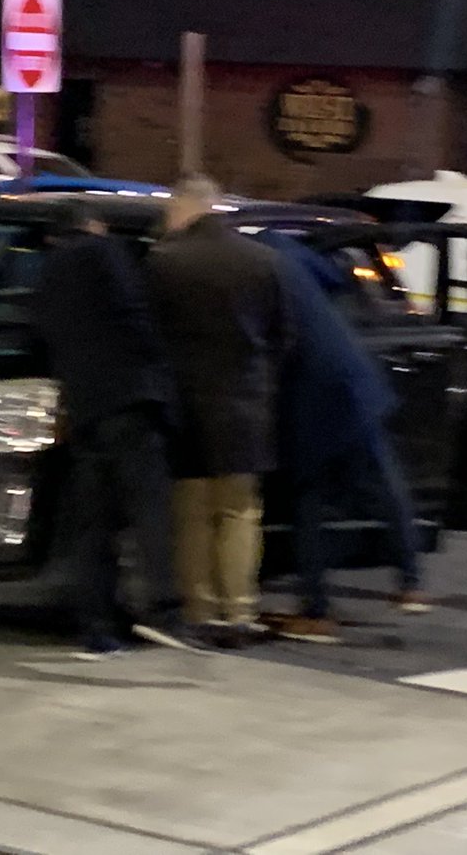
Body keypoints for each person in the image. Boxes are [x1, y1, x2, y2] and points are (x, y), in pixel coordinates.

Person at [36, 201, 202, 659]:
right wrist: (159, 376)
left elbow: (49, 337)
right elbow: (137, 317)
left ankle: (96, 628)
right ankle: (165, 611)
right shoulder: (105, 253)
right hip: (130, 401)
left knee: (95, 524)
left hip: (86, 410)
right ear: (94, 226)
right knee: (151, 510)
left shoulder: (48, 273)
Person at [260, 233, 430, 643]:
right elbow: (338, 276)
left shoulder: (255, 269)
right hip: (355, 380)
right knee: (385, 483)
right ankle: (411, 582)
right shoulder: (287, 251)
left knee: (308, 501)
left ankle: (316, 608)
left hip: (310, 397)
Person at [145, 175, 291, 648]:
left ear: (182, 209)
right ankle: (241, 612)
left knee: (191, 513)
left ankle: (199, 608)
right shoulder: (263, 260)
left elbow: (147, 336)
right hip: (245, 405)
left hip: (185, 405)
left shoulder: (164, 262)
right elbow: (284, 336)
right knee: (239, 512)